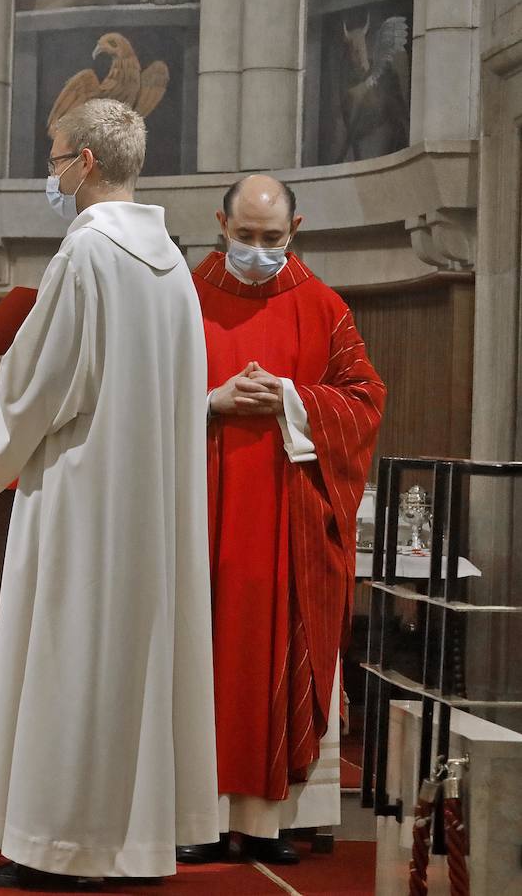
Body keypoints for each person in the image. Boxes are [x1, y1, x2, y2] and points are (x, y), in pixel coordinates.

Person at [0, 98, 219, 888]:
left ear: (87, 163)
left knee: (69, 661)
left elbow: (46, 386)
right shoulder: (172, 263)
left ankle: (57, 849)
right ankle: (128, 843)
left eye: (55, 152)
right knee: (129, 669)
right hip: (150, 507)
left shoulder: (86, 256)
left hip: (82, 496)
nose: (51, 168)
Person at [183, 174, 384, 865]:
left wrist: (294, 400)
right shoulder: (181, 297)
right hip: (198, 518)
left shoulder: (322, 307)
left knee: (274, 654)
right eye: (245, 237)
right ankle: (192, 819)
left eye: (273, 239)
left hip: (288, 526)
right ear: (221, 222)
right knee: (197, 659)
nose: (259, 251)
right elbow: (136, 394)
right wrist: (211, 402)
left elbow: (364, 399)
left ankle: (268, 820)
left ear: (296, 230)